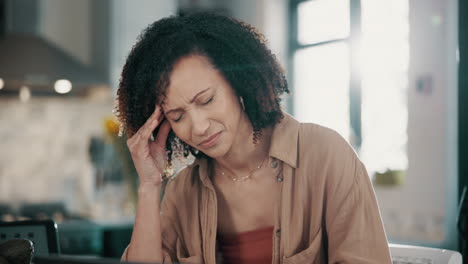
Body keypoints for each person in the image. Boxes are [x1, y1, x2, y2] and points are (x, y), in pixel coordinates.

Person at [115, 12, 392, 264]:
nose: (197, 127)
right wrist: (149, 187)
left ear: (238, 81)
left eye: (207, 100)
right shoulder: (183, 193)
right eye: (177, 117)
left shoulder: (326, 156)